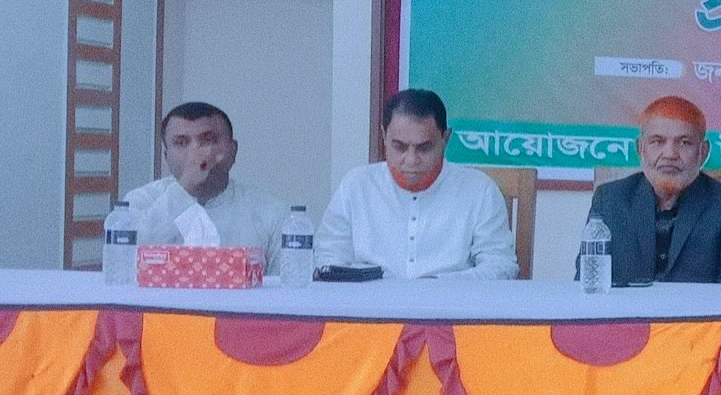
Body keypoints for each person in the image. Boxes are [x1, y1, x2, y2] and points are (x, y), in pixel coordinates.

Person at [316, 89, 518, 279]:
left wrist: (438, 286)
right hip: (369, 303)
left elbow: (500, 266)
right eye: (399, 147)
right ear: (384, 136)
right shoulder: (356, 186)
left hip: (452, 302)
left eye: (424, 148)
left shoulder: (480, 191)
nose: (411, 160)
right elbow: (328, 258)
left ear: (445, 139)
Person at [582, 96, 721, 284]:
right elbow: (589, 280)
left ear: (703, 152)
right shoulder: (610, 199)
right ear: (640, 149)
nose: (670, 154)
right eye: (657, 141)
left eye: (684, 142)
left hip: (698, 305)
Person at [122, 102, 288, 272]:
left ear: (233, 150)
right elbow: (126, 265)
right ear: (166, 156)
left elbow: (288, 285)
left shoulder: (272, 213)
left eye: (208, 140)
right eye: (181, 143)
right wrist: (186, 186)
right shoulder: (138, 203)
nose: (196, 153)